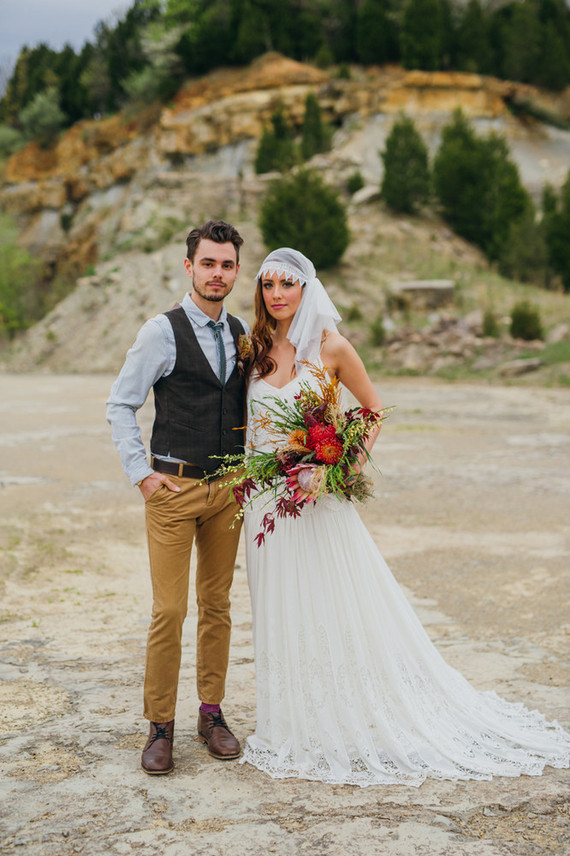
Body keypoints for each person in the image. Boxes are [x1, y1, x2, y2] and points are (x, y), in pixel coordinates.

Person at [240, 247, 570, 787]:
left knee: (332, 602)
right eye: (269, 285)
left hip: (318, 501)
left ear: (307, 289)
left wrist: (341, 465)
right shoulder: (253, 350)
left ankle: (344, 716)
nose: (277, 294)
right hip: (267, 510)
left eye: (287, 284)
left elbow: (372, 410)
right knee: (280, 603)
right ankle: (291, 719)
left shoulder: (331, 347)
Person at [106, 220, 249, 775]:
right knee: (169, 610)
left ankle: (210, 714)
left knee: (217, 607)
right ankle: (159, 724)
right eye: (208, 263)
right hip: (173, 487)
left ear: (237, 270)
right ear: (189, 266)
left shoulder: (242, 331)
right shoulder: (159, 332)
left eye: (227, 264)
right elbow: (122, 404)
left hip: (228, 491)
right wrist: (141, 474)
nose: (218, 273)